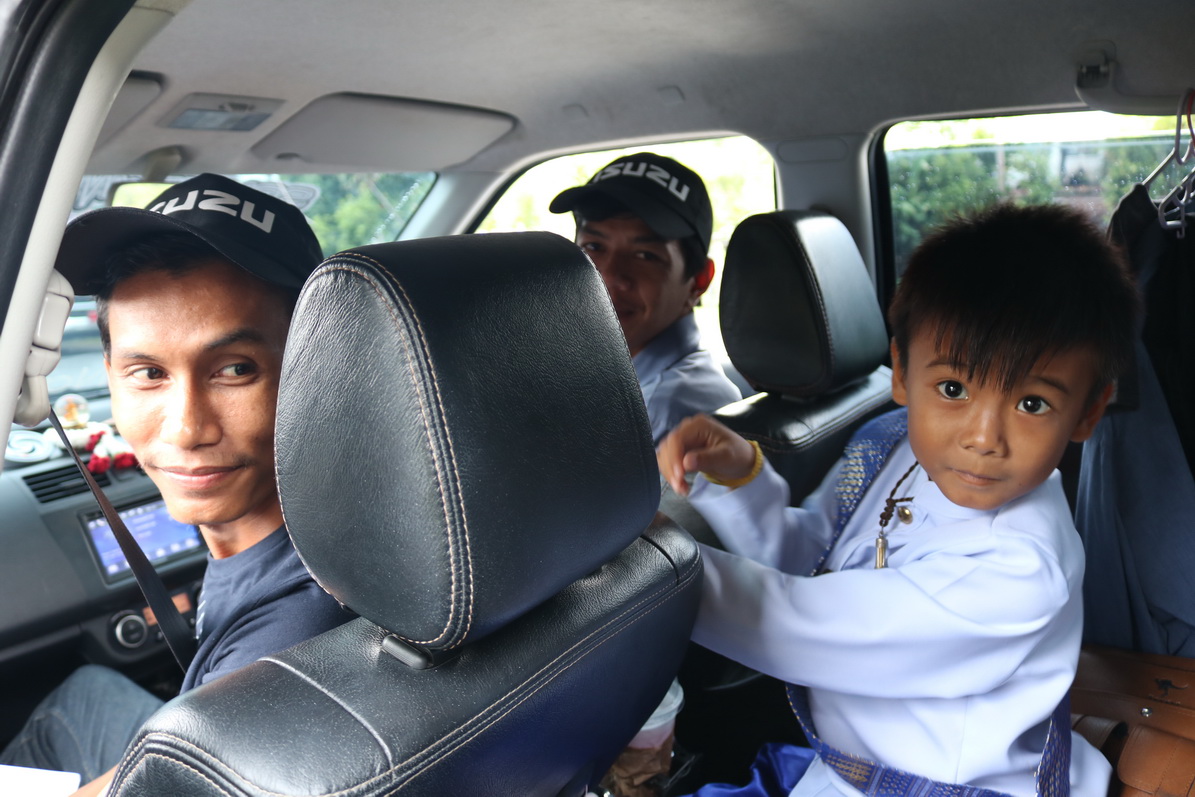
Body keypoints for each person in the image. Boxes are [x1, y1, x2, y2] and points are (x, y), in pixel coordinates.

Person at [657, 203, 1139, 797]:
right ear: (902, 374)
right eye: (953, 388)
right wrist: (740, 481)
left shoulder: (1019, 570)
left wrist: (652, 563)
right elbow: (815, 558)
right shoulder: (893, 446)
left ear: (1088, 412)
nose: (983, 438)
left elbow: (793, 624)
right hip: (846, 767)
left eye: (1031, 404)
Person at [0, 174, 351, 795]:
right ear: (108, 373)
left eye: (235, 369)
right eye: (148, 373)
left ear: (314, 366)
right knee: (83, 694)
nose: (187, 429)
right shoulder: (344, 511)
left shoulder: (284, 647)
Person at [551, 153, 741, 443]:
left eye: (645, 255)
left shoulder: (662, 412)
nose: (608, 276)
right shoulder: (623, 384)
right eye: (593, 247)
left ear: (698, 281)